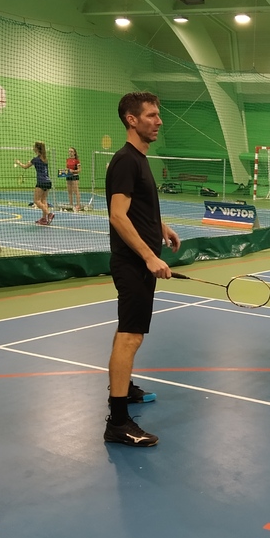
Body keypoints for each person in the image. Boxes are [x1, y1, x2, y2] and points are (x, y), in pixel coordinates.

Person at [104, 92, 180, 447]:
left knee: (130, 332)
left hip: (140, 261)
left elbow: (138, 206)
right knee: (130, 336)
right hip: (133, 263)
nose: (159, 121)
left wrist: (160, 227)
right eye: (151, 115)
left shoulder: (140, 159)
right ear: (131, 120)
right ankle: (118, 423)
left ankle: (124, 387)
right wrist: (149, 256)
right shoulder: (126, 161)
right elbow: (118, 215)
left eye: (158, 114)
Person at [15, 142, 53, 225]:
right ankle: (44, 219)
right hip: (48, 182)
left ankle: (49, 214)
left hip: (41, 182)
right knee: (43, 200)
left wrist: (19, 162)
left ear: (37, 148)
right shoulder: (45, 159)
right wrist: (32, 161)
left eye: (34, 146)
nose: (33, 147)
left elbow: (25, 167)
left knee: (36, 201)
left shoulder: (35, 159)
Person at [64, 146, 83, 211]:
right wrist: (65, 171)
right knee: (69, 191)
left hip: (75, 177)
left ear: (74, 152)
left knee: (76, 191)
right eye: (69, 151)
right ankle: (71, 204)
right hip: (68, 176)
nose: (70, 153)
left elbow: (79, 170)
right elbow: (67, 168)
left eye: (71, 151)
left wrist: (73, 171)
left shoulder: (77, 161)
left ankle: (78, 205)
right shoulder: (67, 160)